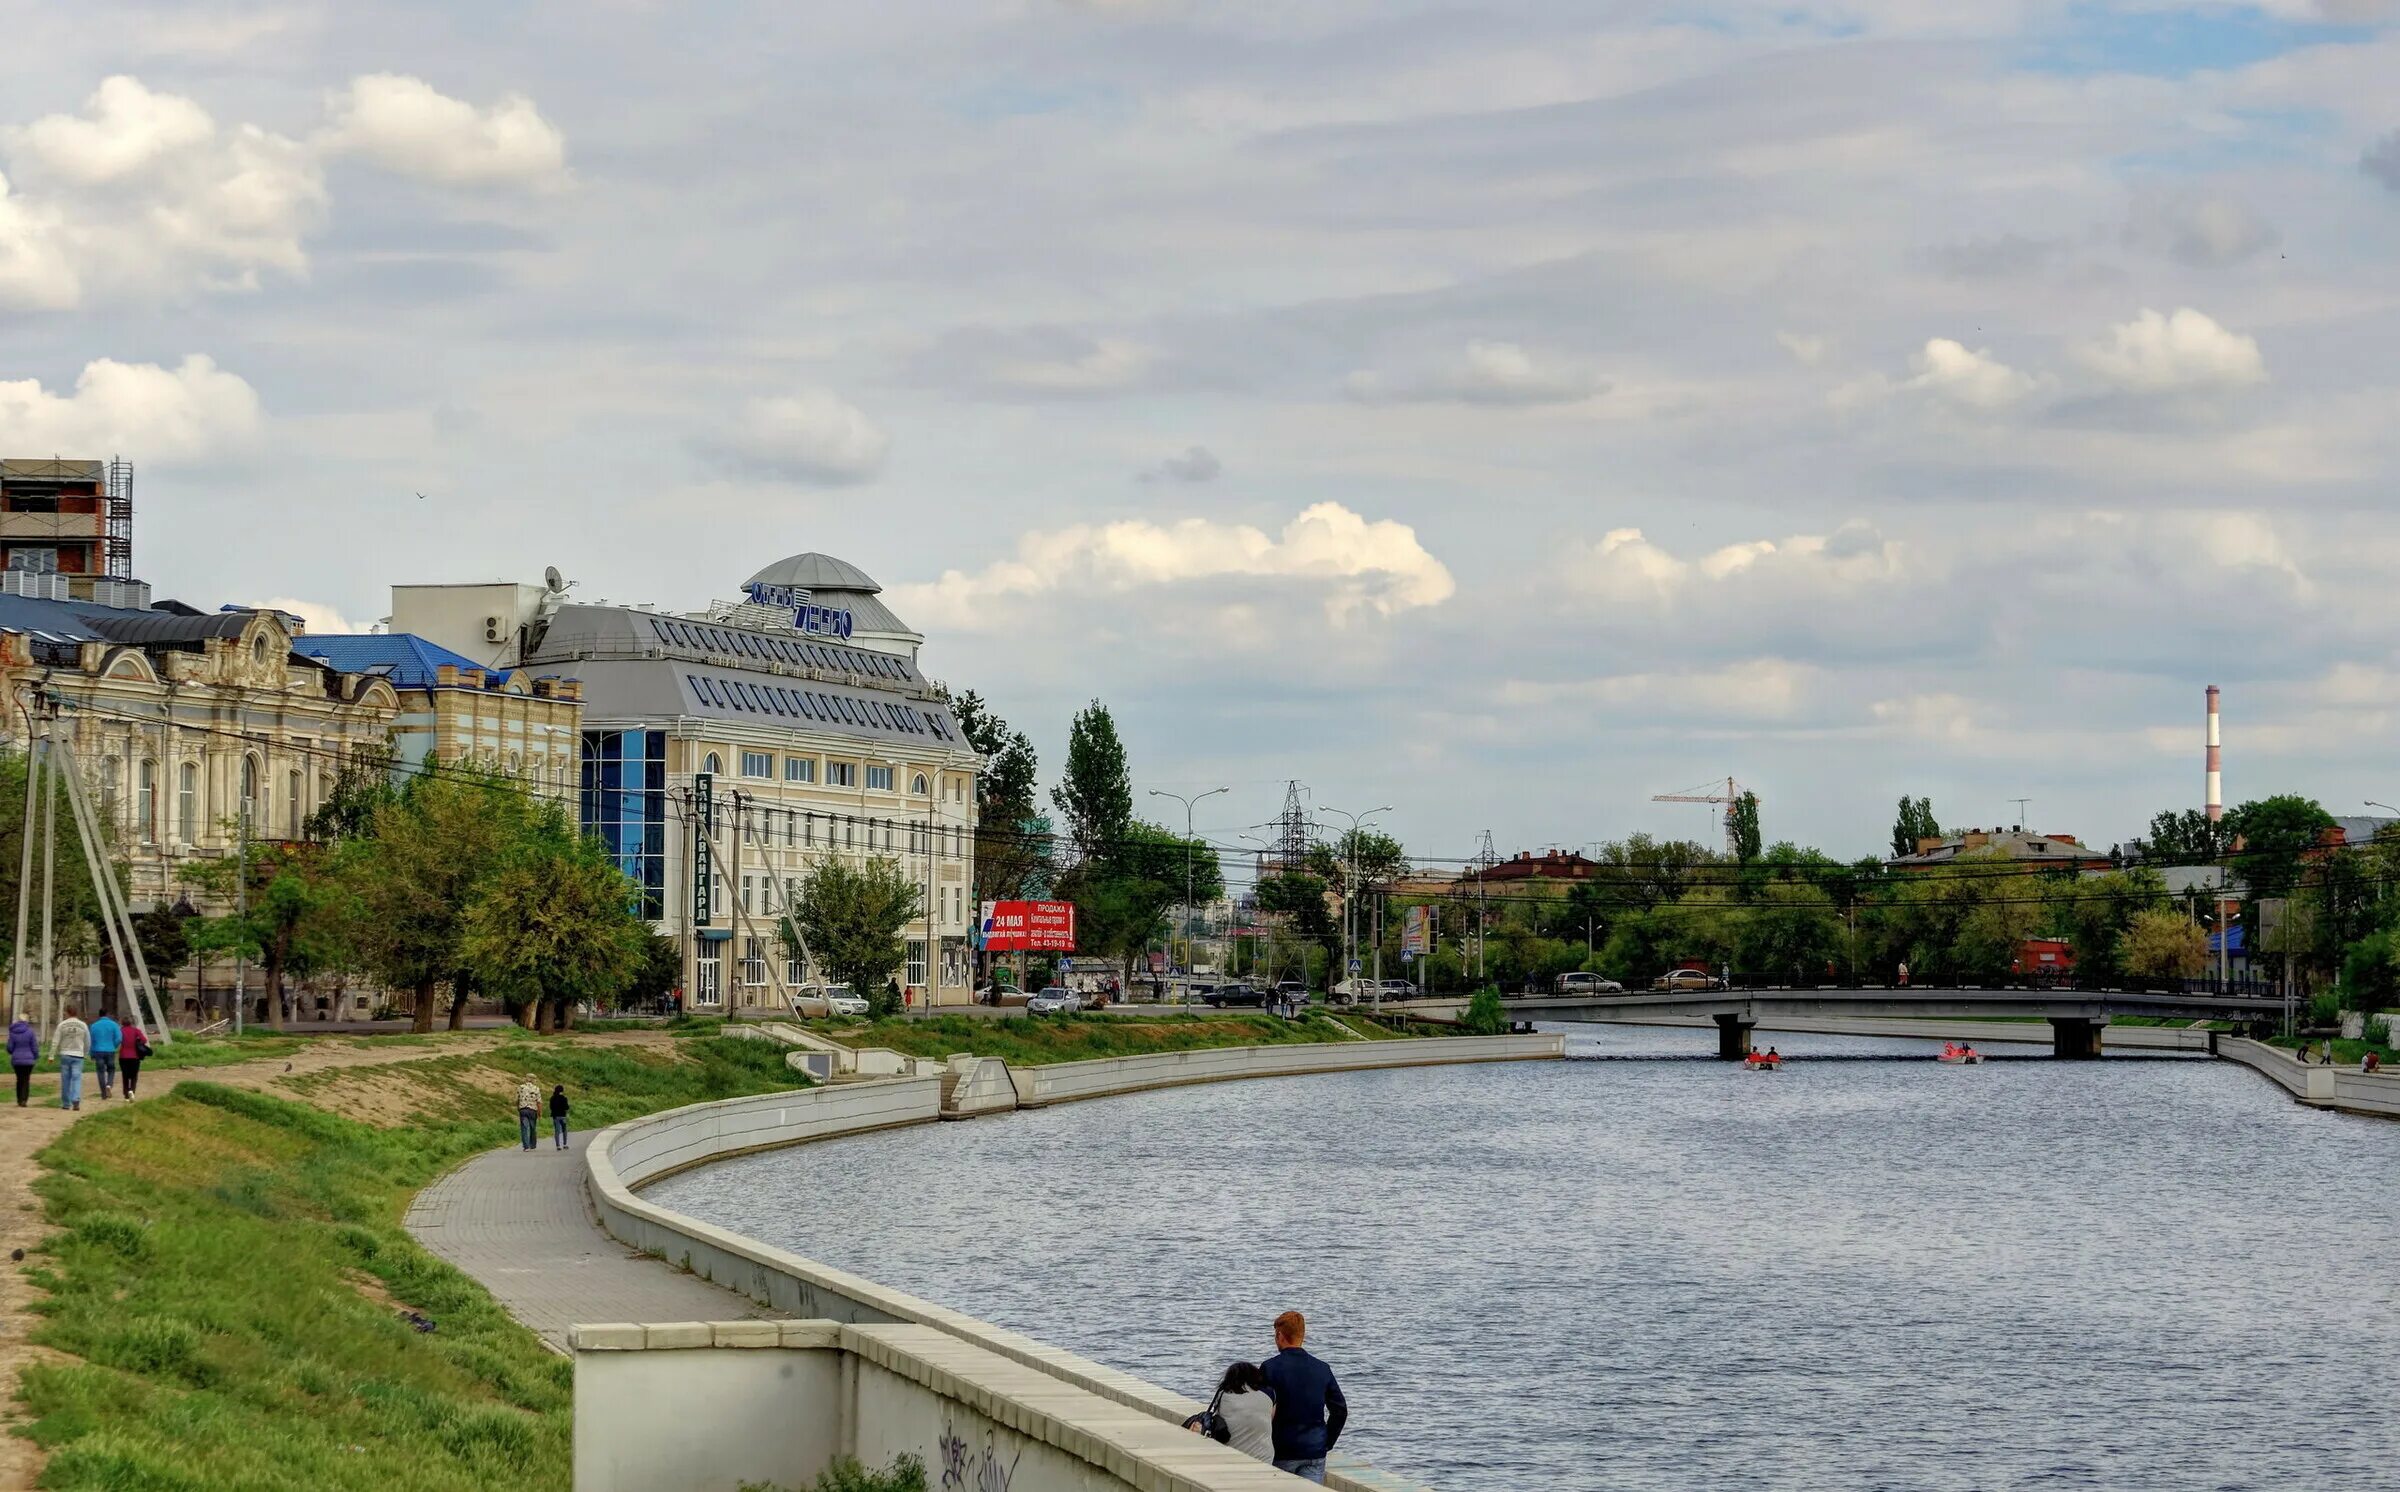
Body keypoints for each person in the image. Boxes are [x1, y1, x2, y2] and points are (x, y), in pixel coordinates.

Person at [1259, 1310, 1346, 1484]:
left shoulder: (1269, 1368)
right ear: (1302, 1336)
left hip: (1282, 1450)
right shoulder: (1322, 1368)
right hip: (1314, 1451)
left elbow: (1259, 1410)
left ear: (1280, 1336)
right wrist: (1326, 1442)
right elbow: (1340, 1411)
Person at [1212, 1361, 1276, 1463]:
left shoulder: (1223, 1394)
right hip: (1264, 1457)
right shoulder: (1270, 1393)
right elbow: (1271, 1418)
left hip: (1231, 1455)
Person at [53, 1006, 91, 1112]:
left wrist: (51, 1055)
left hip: (65, 1054)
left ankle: (66, 1103)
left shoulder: (62, 1025)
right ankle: (75, 1100)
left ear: (67, 1013)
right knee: (76, 1078)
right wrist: (85, 1053)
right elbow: (88, 1041)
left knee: (65, 1079)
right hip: (78, 1055)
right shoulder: (83, 1025)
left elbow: (55, 1040)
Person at [88, 1009, 122, 1101]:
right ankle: (109, 1085)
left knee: (100, 1071)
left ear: (99, 1015)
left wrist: (91, 1053)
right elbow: (119, 1038)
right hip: (110, 1050)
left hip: (98, 1051)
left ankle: (103, 1094)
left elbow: (91, 1041)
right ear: (107, 1014)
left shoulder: (93, 1026)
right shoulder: (114, 1025)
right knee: (111, 1069)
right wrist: (113, 1046)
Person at [118, 1015, 150, 1099]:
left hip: (123, 1056)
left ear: (122, 1023)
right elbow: (144, 1040)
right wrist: (137, 1040)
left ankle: (126, 1094)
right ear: (131, 1022)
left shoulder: (120, 1031)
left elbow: (117, 1041)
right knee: (134, 1075)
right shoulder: (136, 1030)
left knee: (125, 1075)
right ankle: (132, 1091)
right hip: (134, 1056)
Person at [8, 1015, 36, 1108]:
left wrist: (13, 1052)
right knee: (26, 1079)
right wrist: (35, 1056)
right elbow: (34, 1047)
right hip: (29, 1060)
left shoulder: (12, 1032)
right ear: (26, 1021)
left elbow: (10, 1048)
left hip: (16, 1060)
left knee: (19, 1079)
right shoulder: (30, 1032)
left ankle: (19, 1099)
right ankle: (24, 1099)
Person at [516, 1075, 541, 1151]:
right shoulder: (536, 1088)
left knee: (524, 1128)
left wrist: (518, 1107)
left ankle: (526, 1146)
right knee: (532, 1127)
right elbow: (539, 1102)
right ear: (533, 1080)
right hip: (533, 1110)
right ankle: (532, 1145)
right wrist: (539, 1113)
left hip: (523, 1110)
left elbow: (517, 1099)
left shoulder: (520, 1087)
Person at [549, 1083, 571, 1150]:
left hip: (555, 1116)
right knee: (564, 1130)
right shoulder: (564, 1098)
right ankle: (565, 1144)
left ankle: (558, 1145)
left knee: (557, 1131)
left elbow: (551, 1107)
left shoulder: (552, 1098)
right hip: (563, 1116)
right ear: (562, 1090)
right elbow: (566, 1107)